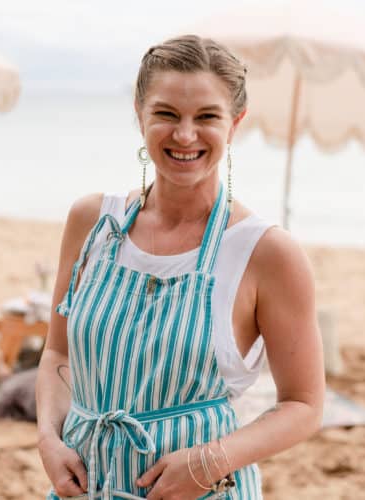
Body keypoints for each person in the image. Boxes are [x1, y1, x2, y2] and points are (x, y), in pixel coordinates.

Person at [36, 34, 325, 500]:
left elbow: (304, 404)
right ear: (140, 114)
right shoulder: (92, 222)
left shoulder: (267, 253)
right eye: (166, 114)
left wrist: (210, 461)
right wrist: (50, 438)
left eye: (207, 116)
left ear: (236, 123)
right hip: (85, 488)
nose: (185, 135)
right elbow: (59, 353)